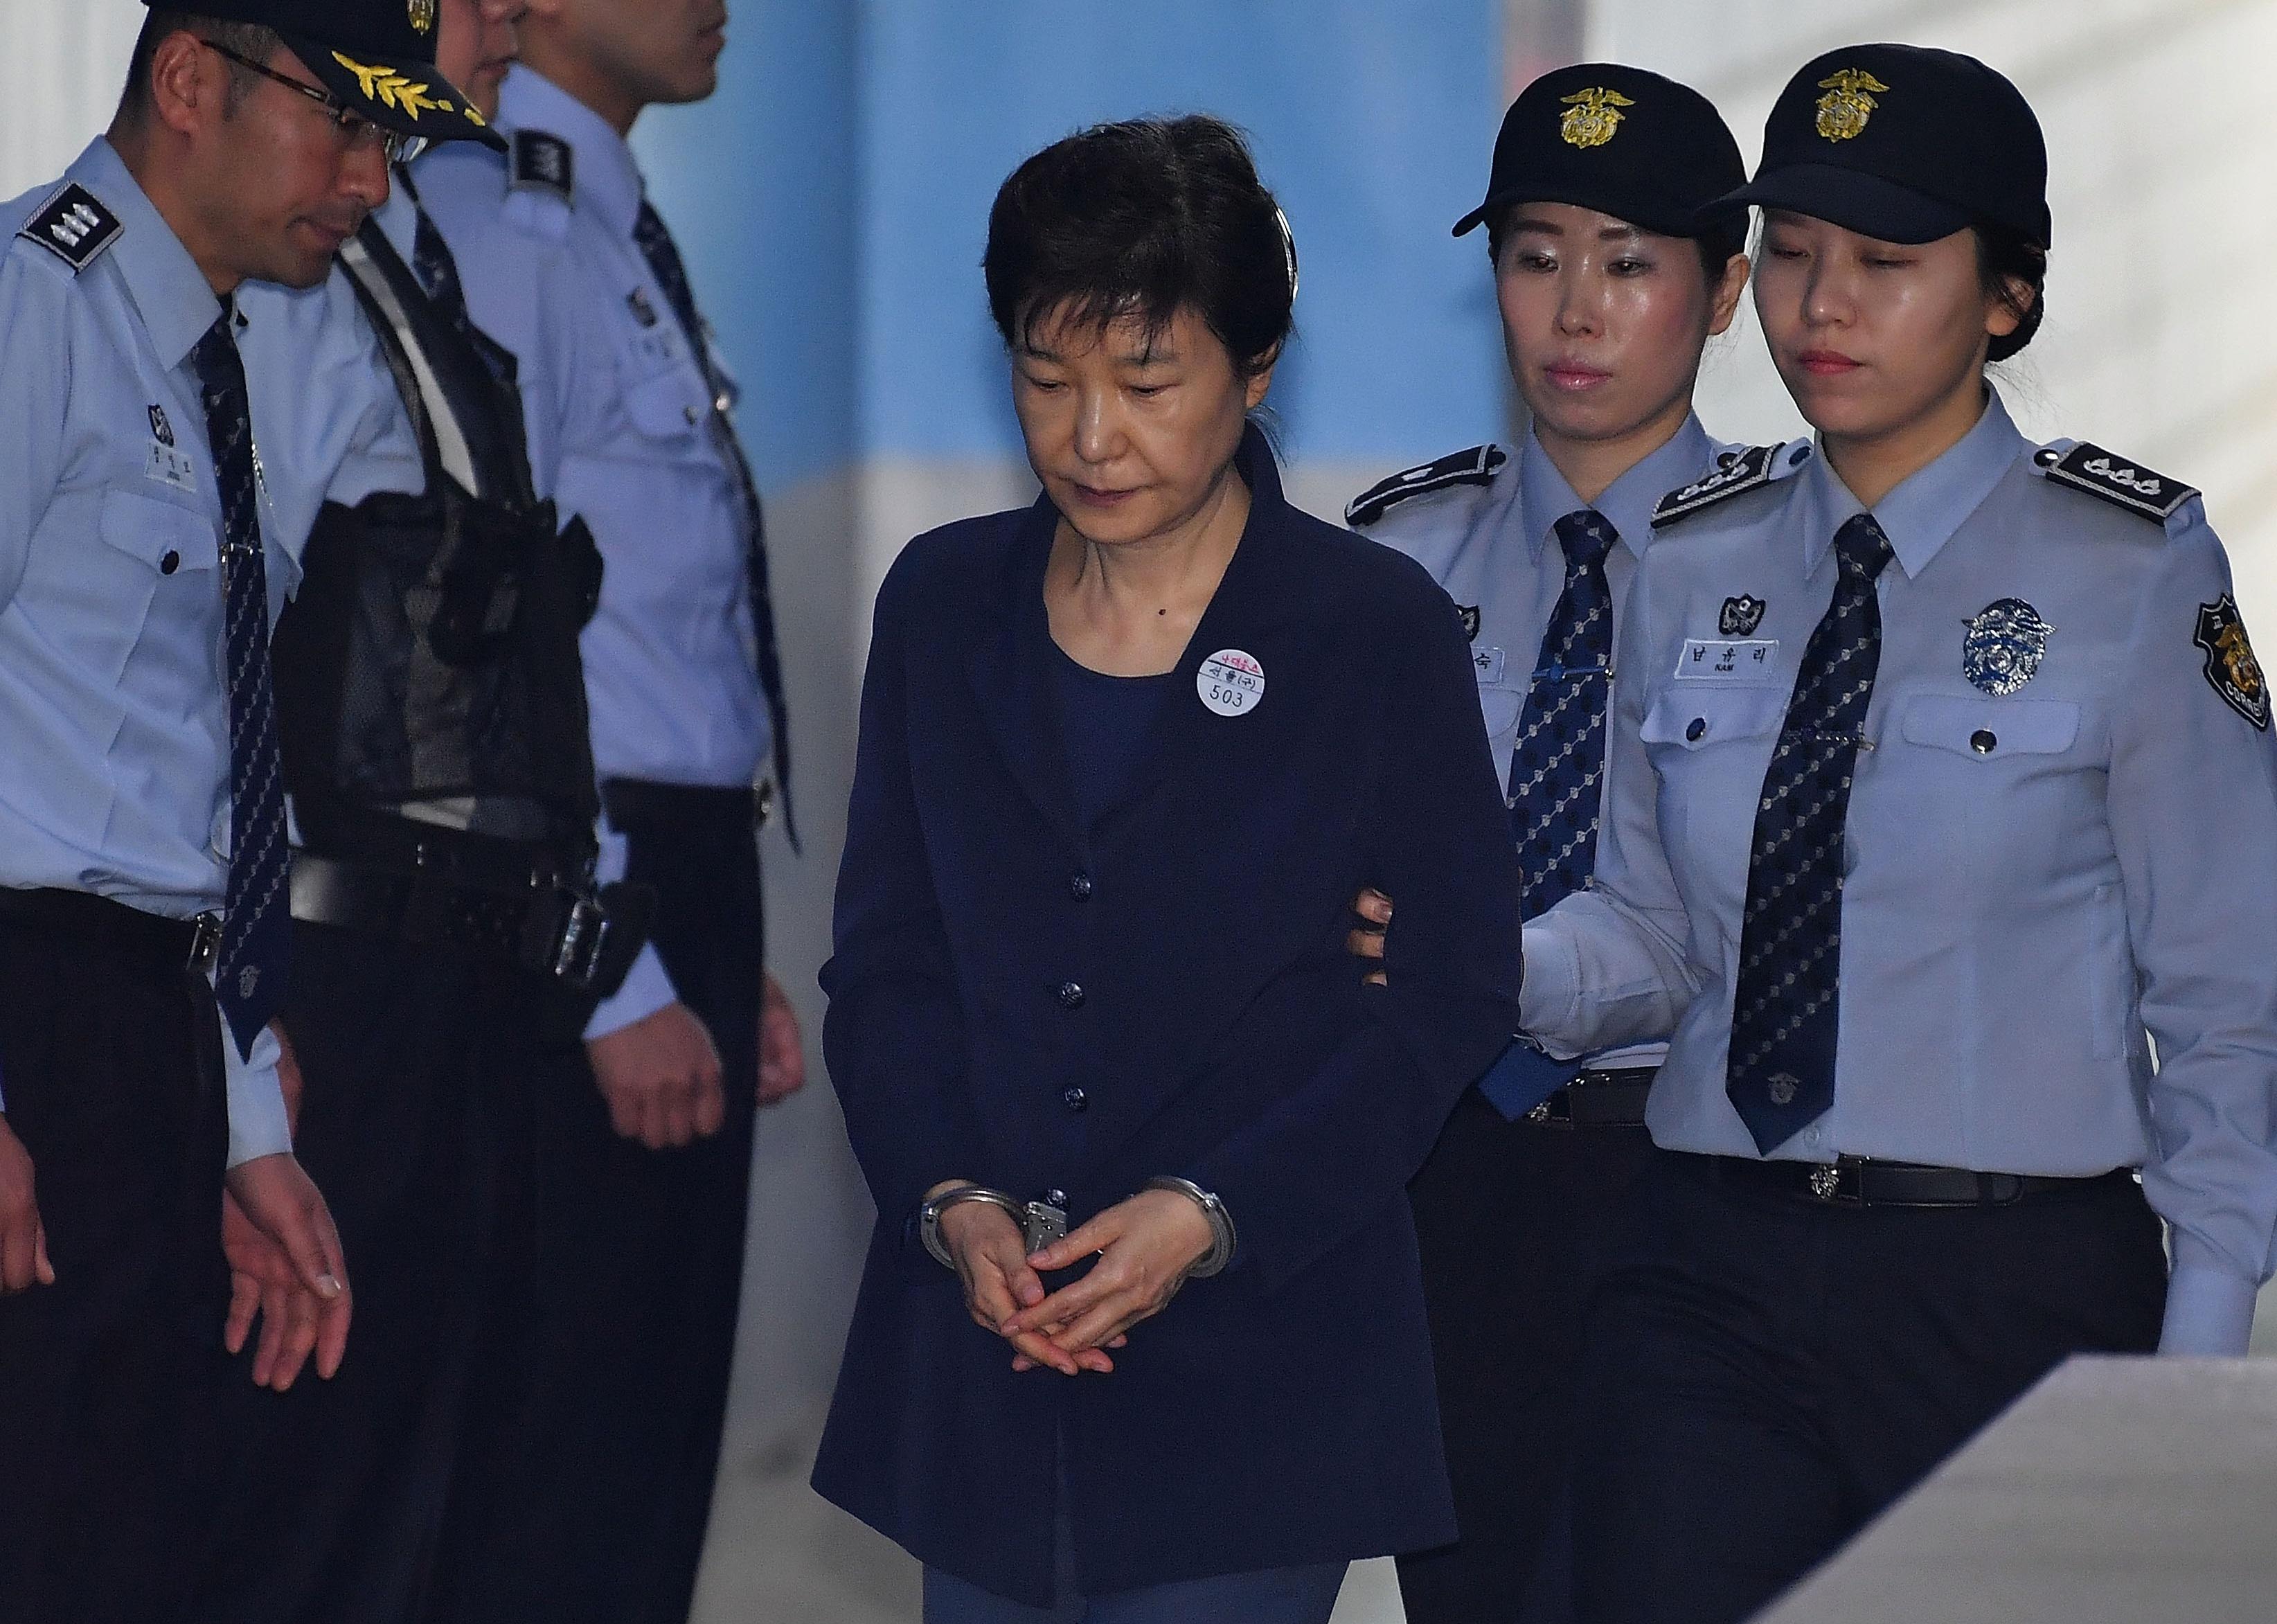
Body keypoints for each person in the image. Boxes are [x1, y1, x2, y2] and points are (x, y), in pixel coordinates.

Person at [1510, 44, 2277, 1624]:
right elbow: (1653, 943)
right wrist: (1470, 948)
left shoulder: (2134, 567)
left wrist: (2195, 1364)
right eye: (1789, 253)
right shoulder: (1694, 553)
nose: (1820, 306)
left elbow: (2227, 998)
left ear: (2008, 297)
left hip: (2013, 1288)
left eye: (1885, 262)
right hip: (1705, 1263)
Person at [810, 115, 1525, 1624]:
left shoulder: (1368, 628)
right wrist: (951, 1203)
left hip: (1262, 1359)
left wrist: (1212, 1210)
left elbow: (1449, 997)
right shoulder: (946, 606)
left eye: (1146, 386)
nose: (1089, 438)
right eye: (1046, 379)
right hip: (988, 1350)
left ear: (1255, 372)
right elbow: (886, 965)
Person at [0, 1, 498, 1616]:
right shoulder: (31, 311)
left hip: (148, 1024)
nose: (369, 176)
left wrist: (243, 1129)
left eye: (393, 137)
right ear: (191, 78)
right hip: (33, 1020)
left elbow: (172, 781)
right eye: (340, 122)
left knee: (129, 1551)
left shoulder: (209, 363)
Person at [186, 4, 657, 1620]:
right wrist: (238, 1014)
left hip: (467, 993)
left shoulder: (399, 266)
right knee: (316, 1507)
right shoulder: (277, 295)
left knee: (448, 1498)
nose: (507, 19)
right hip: (347, 986)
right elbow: (208, 669)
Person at [410, 3, 808, 1616]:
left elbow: (656, 632)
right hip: (579, 890)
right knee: (565, 1465)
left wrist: (722, 944)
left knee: (651, 1441)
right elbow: (483, 635)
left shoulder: (609, 226)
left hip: (674, 871)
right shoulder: (492, 225)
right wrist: (617, 970)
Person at [1342, 63, 1749, 1624]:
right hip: (1450, 1174)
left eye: (1631, 262)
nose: (1575, 310)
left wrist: (1462, 959)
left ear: (1720, 296)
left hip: (1703, 1174)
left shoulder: (1809, 570)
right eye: (1534, 255)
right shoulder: (1393, 557)